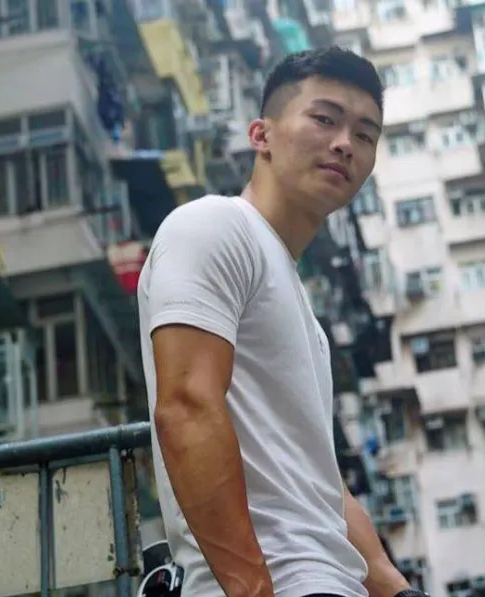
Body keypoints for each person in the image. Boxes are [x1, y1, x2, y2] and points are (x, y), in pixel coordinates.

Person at [137, 47, 424, 597]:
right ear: (261, 135)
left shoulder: (304, 315)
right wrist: (252, 589)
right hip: (279, 580)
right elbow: (186, 407)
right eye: (325, 119)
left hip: (330, 581)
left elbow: (319, 485)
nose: (345, 143)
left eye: (365, 135)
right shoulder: (214, 227)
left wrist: (396, 587)